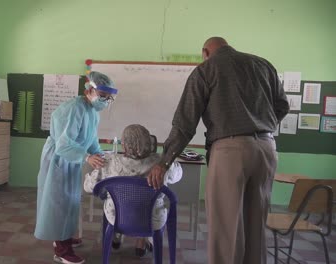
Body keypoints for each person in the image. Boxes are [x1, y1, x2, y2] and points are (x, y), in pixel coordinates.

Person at [148, 37, 289, 264]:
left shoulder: (206, 70)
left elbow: (185, 124)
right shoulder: (263, 65)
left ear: (205, 52)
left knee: (227, 229)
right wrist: (261, 124)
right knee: (256, 225)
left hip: (230, 151)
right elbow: (282, 105)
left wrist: (164, 162)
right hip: (267, 149)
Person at [34, 71, 118, 264]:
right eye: (104, 96)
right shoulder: (74, 109)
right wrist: (87, 157)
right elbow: (64, 145)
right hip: (59, 160)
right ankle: (61, 250)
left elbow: (90, 139)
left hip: (72, 161)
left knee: (70, 201)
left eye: (109, 98)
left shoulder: (92, 112)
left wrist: (100, 154)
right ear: (89, 91)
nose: (106, 101)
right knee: (59, 203)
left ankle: (64, 237)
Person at [84, 124, 182, 257]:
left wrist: (89, 176)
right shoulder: (161, 165)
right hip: (153, 220)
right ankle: (143, 243)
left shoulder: (110, 163)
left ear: (124, 145)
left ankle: (115, 237)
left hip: (117, 218)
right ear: (149, 142)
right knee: (146, 207)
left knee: (113, 201)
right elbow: (178, 174)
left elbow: (88, 187)